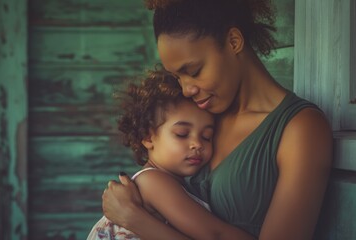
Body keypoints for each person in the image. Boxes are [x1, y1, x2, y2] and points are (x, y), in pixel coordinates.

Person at [102, 0, 333, 239]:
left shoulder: (300, 128)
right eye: (177, 77)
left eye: (193, 71)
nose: (186, 90)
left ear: (233, 41)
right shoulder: (202, 117)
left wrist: (133, 218)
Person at [88, 70, 234, 240]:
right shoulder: (153, 182)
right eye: (182, 133)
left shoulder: (171, 183)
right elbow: (215, 235)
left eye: (207, 136)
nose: (198, 144)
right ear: (148, 137)